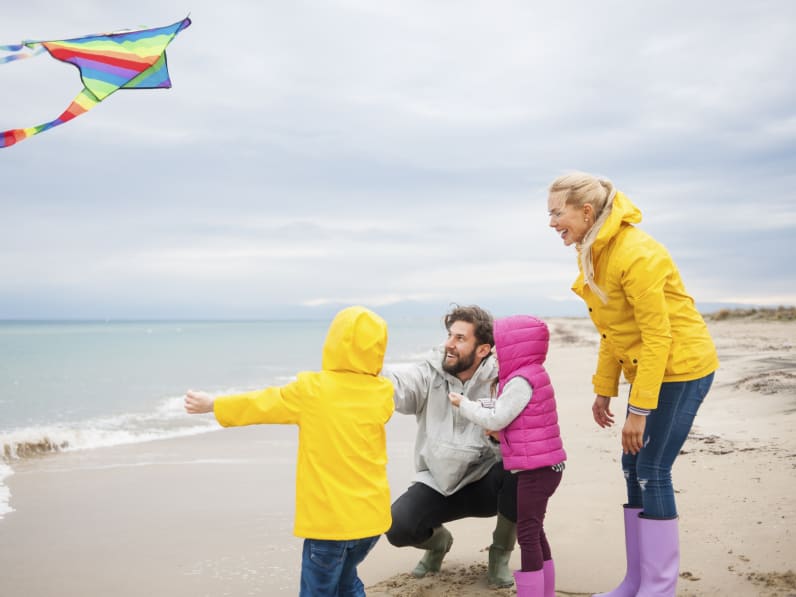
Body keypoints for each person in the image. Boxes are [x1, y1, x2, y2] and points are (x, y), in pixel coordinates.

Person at [546, 172, 719, 597]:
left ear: (586, 212)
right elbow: (614, 331)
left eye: (556, 212)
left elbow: (658, 337)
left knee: (652, 468)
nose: (551, 223)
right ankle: (637, 580)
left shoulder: (637, 254)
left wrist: (638, 411)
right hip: (648, 367)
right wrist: (603, 389)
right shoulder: (594, 252)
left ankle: (658, 588)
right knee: (631, 466)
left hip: (682, 366)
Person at [184, 306, 394, 597]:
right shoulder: (381, 393)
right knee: (346, 582)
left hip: (330, 525)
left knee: (317, 591)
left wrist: (214, 404)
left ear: (334, 343)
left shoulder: (312, 390)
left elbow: (264, 403)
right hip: (371, 520)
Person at [382, 304, 518, 588]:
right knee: (397, 527)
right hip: (438, 481)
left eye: (460, 338)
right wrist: (368, 371)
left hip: (485, 481)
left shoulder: (503, 381)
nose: (449, 345)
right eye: (449, 335)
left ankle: (500, 554)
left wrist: (497, 436)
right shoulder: (430, 373)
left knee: (520, 470)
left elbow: (522, 435)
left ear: (483, 349)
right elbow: (398, 386)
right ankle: (438, 544)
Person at [449, 314, 566, 597]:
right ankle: (545, 590)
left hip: (536, 470)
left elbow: (500, 416)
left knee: (527, 533)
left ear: (517, 346)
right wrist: (477, 404)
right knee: (535, 530)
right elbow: (506, 407)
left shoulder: (520, 380)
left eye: (501, 346)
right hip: (546, 466)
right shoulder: (531, 374)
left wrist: (464, 405)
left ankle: (533, 593)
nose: (498, 353)